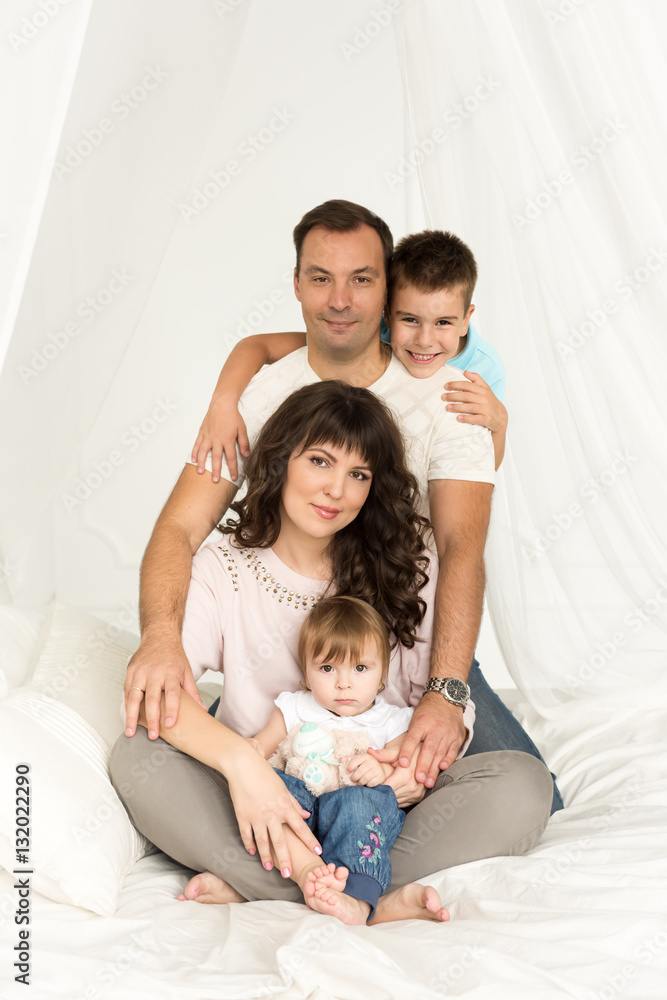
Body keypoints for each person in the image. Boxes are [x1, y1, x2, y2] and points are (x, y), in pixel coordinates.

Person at [122, 198, 562, 818]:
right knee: (162, 752)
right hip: (285, 652)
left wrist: (445, 688)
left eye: (362, 279)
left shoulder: (452, 398)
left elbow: (462, 549)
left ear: (388, 291)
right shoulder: (263, 395)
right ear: (297, 284)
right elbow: (178, 526)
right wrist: (162, 637)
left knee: (541, 799)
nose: (340, 300)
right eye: (321, 278)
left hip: (408, 643)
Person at [110, 381, 553, 921]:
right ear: (280, 461)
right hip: (263, 800)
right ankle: (364, 898)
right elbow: (163, 699)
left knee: (523, 784)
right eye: (320, 461)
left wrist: (410, 771)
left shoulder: (409, 568)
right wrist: (244, 770)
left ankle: (286, 887)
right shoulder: (222, 567)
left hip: (378, 813)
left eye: (358, 475)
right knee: (136, 757)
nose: (336, 490)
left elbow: (440, 715)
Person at [194, 594, 474, 925]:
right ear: (307, 674)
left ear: (382, 675)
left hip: (354, 814)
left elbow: (403, 769)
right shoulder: (294, 707)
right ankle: (267, 880)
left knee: (362, 803)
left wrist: (382, 768)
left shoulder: (393, 721)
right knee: (272, 787)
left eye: (360, 668)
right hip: (301, 812)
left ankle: (355, 897)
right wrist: (246, 756)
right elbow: (257, 749)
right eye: (327, 668)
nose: (344, 683)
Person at [192, 228, 508, 479]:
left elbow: (479, 470)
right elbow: (256, 346)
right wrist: (223, 402)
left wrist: (500, 422)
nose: (425, 341)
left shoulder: (482, 369)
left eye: (443, 323)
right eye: (409, 319)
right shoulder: (376, 337)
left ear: (466, 319)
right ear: (386, 311)